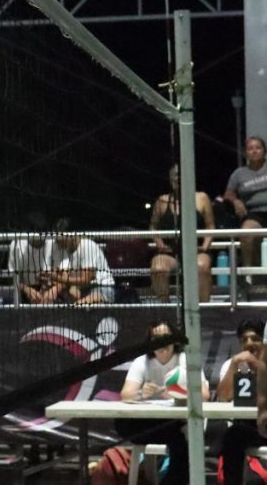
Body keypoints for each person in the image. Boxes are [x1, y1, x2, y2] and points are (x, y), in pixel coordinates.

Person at [116, 321, 209, 485]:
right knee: (122, 424)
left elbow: (204, 395)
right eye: (157, 338)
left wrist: (176, 395)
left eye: (166, 337)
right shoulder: (142, 361)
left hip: (178, 421)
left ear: (174, 340)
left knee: (180, 439)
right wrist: (141, 393)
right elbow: (125, 395)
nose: (162, 343)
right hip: (152, 423)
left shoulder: (185, 360)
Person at [150, 164, 215, 302]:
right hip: (170, 252)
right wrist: (159, 243)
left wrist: (205, 246)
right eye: (174, 176)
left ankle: (202, 309)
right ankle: (165, 308)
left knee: (201, 266)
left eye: (180, 175)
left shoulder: (201, 198)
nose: (177, 179)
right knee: (158, 267)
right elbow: (153, 227)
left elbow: (210, 226)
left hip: (196, 251)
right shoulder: (161, 201)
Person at [215, 319, 266, 484]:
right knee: (232, 436)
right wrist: (234, 366)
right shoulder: (233, 364)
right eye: (244, 340)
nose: (249, 343)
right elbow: (223, 397)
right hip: (248, 427)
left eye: (255, 339)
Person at [224, 136, 267, 278]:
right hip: (255, 214)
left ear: (264, 151)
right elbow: (227, 195)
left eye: (258, 148)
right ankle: (248, 275)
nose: (254, 151)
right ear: (245, 153)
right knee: (246, 232)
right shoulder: (239, 174)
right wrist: (235, 200)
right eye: (250, 148)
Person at [49, 217, 116, 304]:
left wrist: (58, 278)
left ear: (72, 235)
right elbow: (64, 274)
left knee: (77, 307)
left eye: (61, 239)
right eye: (57, 240)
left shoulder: (87, 245)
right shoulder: (66, 251)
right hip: (84, 290)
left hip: (102, 288)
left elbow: (86, 279)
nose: (59, 243)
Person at [8, 212, 56, 304]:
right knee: (11, 297)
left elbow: (62, 273)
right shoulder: (17, 245)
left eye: (42, 231)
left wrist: (50, 287)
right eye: (37, 231)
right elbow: (12, 278)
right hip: (23, 287)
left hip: (50, 287)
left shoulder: (53, 242)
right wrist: (27, 290)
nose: (40, 236)